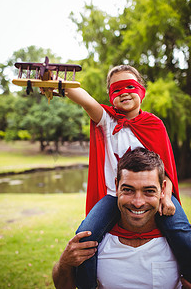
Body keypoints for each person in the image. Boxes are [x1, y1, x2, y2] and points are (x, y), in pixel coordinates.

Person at [63, 65, 191, 288]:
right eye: (116, 89)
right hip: (115, 196)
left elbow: (167, 173)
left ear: (141, 90)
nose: (123, 92)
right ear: (111, 97)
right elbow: (86, 100)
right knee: (85, 236)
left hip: (155, 193)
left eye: (129, 86)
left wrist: (167, 198)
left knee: (182, 232)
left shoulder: (155, 125)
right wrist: (58, 84)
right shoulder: (106, 121)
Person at [52, 148, 191, 289]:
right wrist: (65, 263)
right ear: (116, 186)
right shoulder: (94, 242)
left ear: (163, 189)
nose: (138, 202)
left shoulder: (179, 244)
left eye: (149, 191)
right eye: (128, 190)